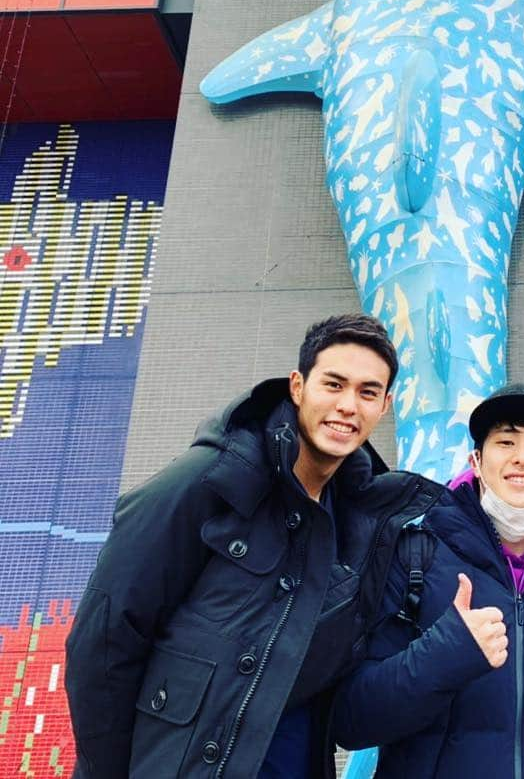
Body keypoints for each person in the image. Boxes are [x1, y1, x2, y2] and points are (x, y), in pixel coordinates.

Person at [65, 313, 442, 779]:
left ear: (384, 406)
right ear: (298, 387)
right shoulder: (210, 480)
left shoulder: (362, 528)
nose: (348, 405)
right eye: (334, 384)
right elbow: (104, 639)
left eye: (367, 392)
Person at [331, 382, 524, 777]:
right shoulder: (413, 560)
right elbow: (352, 720)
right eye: (505, 442)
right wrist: (445, 653)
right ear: (475, 460)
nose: (523, 458)